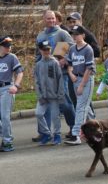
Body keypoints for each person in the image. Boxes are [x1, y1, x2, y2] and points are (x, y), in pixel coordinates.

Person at [32, 10, 74, 142]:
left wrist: (64, 59)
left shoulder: (61, 33)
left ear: (56, 19)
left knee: (65, 102)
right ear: (44, 20)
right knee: (45, 101)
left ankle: (74, 127)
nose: (51, 20)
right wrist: (37, 68)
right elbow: (37, 55)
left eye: (52, 18)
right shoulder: (41, 35)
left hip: (61, 74)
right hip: (45, 75)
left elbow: (72, 48)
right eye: (48, 19)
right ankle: (44, 132)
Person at [64, 25, 95, 145]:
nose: (75, 36)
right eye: (73, 34)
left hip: (86, 80)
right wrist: (70, 74)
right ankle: (97, 130)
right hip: (75, 78)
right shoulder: (72, 48)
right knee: (86, 108)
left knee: (81, 107)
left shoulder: (88, 49)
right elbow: (69, 64)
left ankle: (76, 134)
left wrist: (82, 85)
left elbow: (89, 69)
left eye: (77, 34)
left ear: (83, 35)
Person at [34, 41, 65, 145]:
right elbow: (37, 81)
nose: (46, 51)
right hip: (43, 96)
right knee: (38, 113)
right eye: (44, 50)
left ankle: (57, 135)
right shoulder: (38, 65)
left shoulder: (54, 62)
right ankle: (47, 134)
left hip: (54, 96)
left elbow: (60, 79)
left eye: (48, 49)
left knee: (55, 116)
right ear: (40, 51)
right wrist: (40, 95)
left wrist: (60, 94)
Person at [0, 36, 24, 152]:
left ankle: (7, 142)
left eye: (9, 46)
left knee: (5, 116)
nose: (8, 48)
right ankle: (5, 134)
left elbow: (19, 73)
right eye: (6, 46)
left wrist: (16, 85)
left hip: (7, 88)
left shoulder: (12, 57)